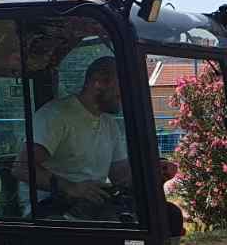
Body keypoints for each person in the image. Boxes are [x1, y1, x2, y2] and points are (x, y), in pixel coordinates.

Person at [15, 55, 175, 212]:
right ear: (98, 82)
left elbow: (120, 177)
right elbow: (21, 168)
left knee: (168, 215)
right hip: (50, 208)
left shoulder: (108, 124)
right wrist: (71, 188)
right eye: (121, 89)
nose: (126, 94)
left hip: (91, 205)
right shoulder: (56, 116)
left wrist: (154, 174)